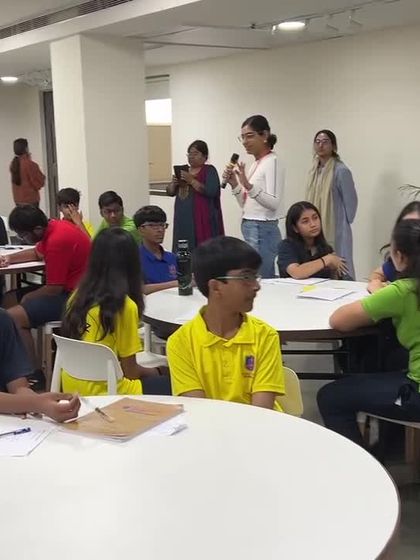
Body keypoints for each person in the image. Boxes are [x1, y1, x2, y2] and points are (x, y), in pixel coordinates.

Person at [317, 219, 420, 447]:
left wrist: (378, 292)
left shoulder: (404, 291)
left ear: (399, 256)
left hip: (417, 392)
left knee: (331, 397)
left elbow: (339, 321)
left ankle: (360, 465)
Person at [167, 236, 285, 409]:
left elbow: (262, 413)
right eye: (246, 277)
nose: (256, 286)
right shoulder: (181, 343)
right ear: (216, 287)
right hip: (209, 424)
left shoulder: (265, 336)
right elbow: (199, 411)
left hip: (259, 423)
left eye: (255, 276)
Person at [60, 228, 171, 396]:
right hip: (109, 391)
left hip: (72, 386)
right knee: (176, 383)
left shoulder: (77, 296)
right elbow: (131, 372)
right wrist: (158, 371)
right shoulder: (124, 306)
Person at [0, 205, 91, 371]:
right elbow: (37, 253)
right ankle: (10, 364)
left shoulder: (58, 241)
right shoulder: (54, 227)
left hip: (77, 298)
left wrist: (28, 298)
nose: (22, 238)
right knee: (8, 300)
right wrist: (9, 258)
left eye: (23, 235)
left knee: (14, 317)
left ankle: (30, 373)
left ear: (37, 229)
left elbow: (54, 288)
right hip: (65, 289)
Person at [224, 115, 285, 279]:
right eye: (242, 137)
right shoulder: (256, 163)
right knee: (253, 277)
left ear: (264, 135)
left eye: (249, 136)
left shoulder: (273, 161)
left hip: (262, 228)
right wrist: (235, 184)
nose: (245, 142)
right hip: (251, 225)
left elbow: (273, 202)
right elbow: (246, 203)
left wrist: (249, 185)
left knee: (261, 278)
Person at [0, 308, 80, 421]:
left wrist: (35, 399)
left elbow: (17, 384)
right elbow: (33, 403)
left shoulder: (3, 319)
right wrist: (36, 403)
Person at [306, 130, 357, 279]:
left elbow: (351, 201)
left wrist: (344, 221)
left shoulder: (341, 170)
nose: (321, 145)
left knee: (342, 265)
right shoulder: (313, 170)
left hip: (337, 226)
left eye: (325, 141)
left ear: (333, 146)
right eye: (317, 142)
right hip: (316, 225)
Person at [166, 140, 224, 252]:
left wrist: (192, 180)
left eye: (195, 153)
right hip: (183, 218)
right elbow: (170, 192)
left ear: (205, 156)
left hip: (202, 218)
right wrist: (173, 183)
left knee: (203, 248)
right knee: (183, 247)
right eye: (189, 154)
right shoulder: (183, 171)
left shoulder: (209, 170)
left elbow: (211, 191)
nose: (191, 156)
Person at [278, 201, 348, 279]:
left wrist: (334, 270)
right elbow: (297, 272)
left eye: (315, 218)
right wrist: (326, 260)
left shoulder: (326, 249)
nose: (313, 224)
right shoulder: (287, 246)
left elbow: (336, 280)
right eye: (305, 221)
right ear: (295, 228)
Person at [368, 201, 420, 294]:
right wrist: (377, 284)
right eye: (405, 226)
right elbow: (377, 275)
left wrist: (381, 294)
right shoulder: (395, 261)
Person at [133, 205, 178, 295]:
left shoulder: (172, 258)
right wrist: (176, 284)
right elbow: (139, 289)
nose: (160, 230)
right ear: (141, 230)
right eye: (153, 225)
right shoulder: (134, 258)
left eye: (162, 225)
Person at [10, 138, 45, 206]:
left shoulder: (13, 164)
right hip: (31, 201)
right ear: (26, 148)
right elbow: (39, 183)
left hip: (18, 200)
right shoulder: (30, 164)